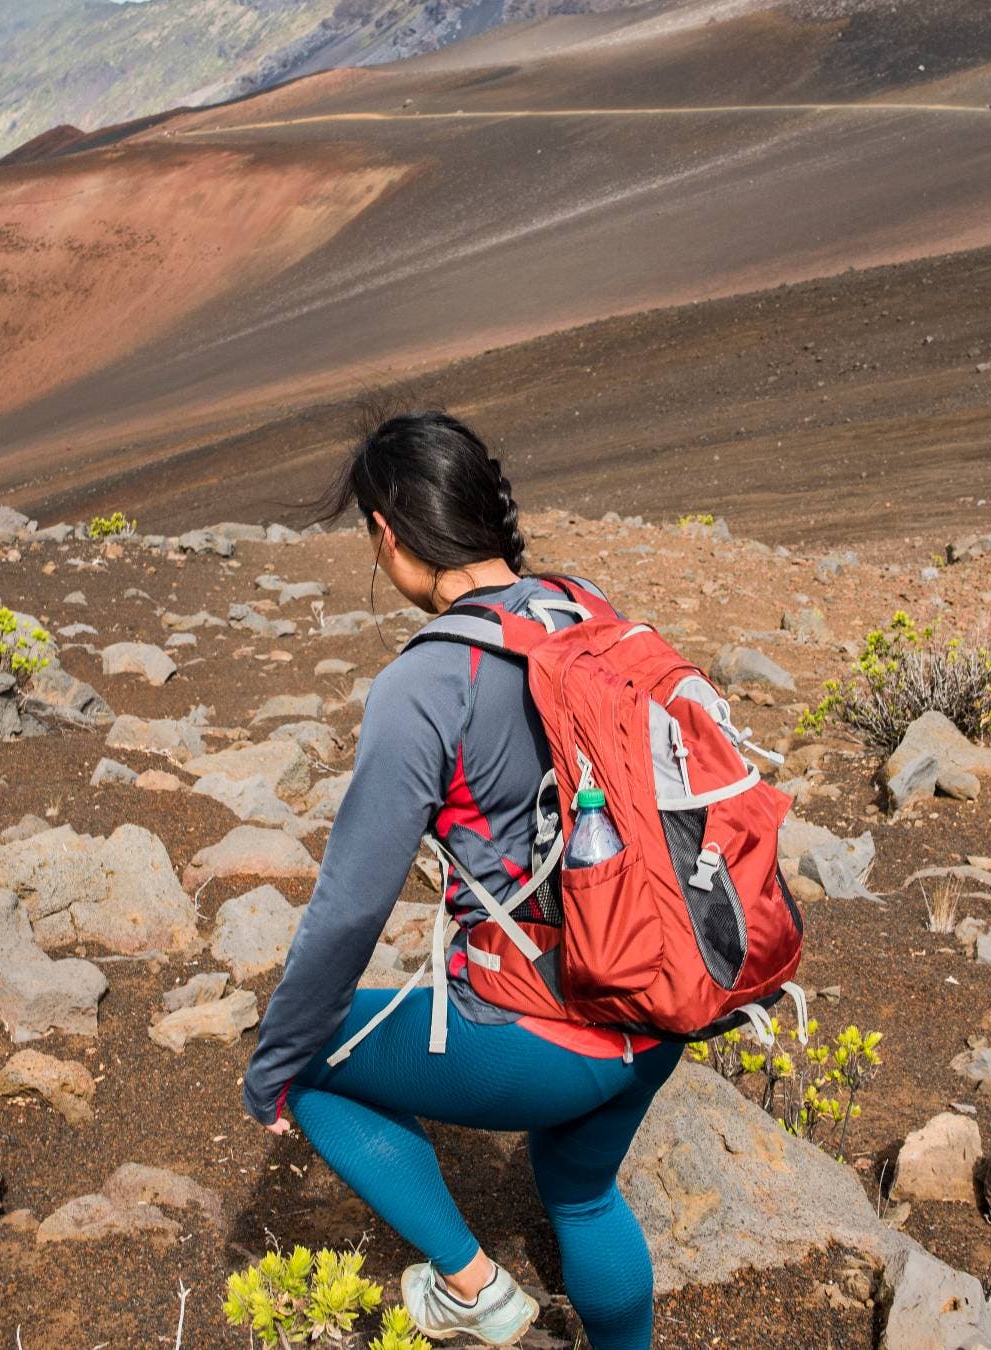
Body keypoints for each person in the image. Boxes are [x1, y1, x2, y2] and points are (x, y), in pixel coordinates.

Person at [243, 411, 680, 1350]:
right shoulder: (583, 607)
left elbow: (349, 909)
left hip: (550, 1029)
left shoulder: (428, 682)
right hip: (661, 995)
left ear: (388, 533)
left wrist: (272, 1063)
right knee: (583, 1194)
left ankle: (473, 1289)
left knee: (305, 1056)